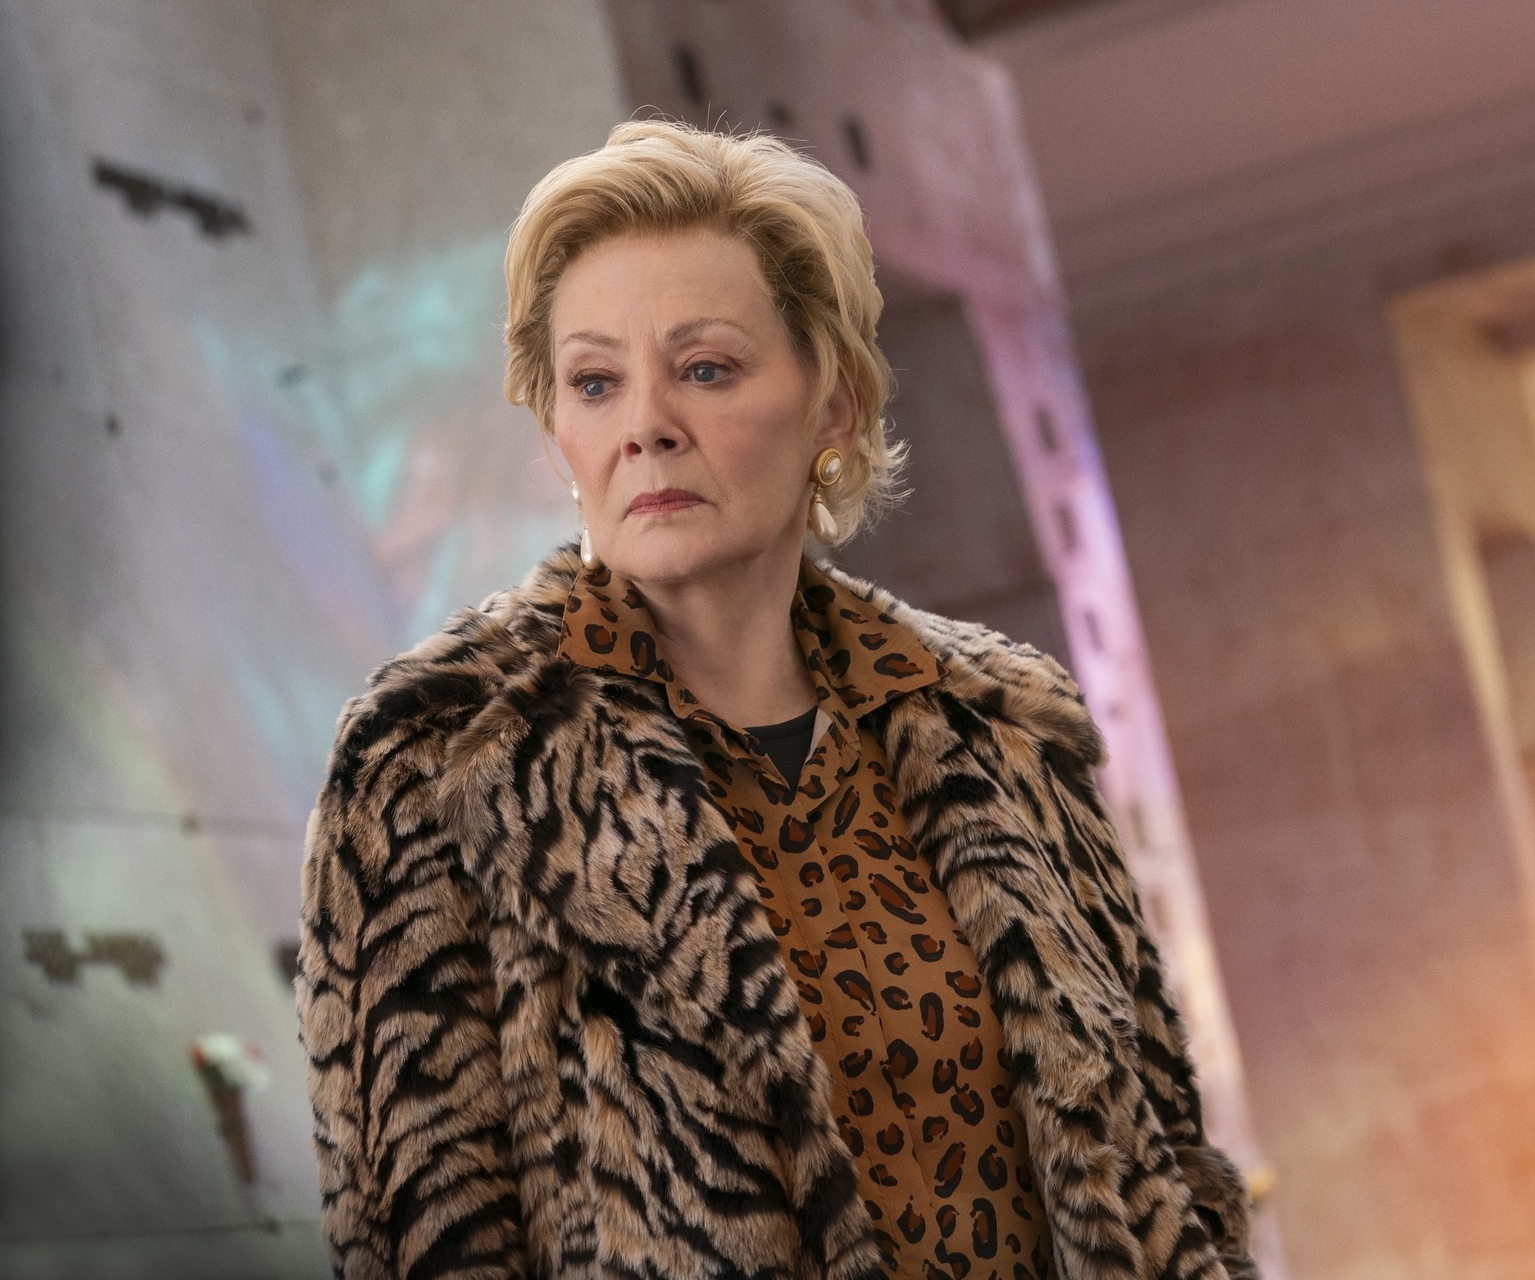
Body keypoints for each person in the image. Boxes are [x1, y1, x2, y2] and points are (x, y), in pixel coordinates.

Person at [296, 119, 1255, 1280]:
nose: (645, 423)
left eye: (705, 368)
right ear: (559, 432)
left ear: (836, 404)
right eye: (596, 382)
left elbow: (1169, 1169)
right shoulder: (438, 759)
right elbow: (417, 1236)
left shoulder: (1004, 725)